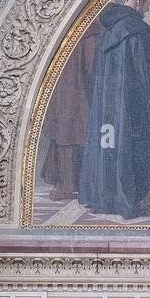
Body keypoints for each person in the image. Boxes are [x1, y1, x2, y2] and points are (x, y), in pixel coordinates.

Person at [78, 0, 150, 219]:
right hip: (133, 104)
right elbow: (145, 70)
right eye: (148, 4)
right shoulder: (137, 30)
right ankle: (130, 202)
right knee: (133, 149)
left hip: (107, 105)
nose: (149, 9)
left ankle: (106, 199)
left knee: (109, 146)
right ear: (139, 2)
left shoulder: (108, 30)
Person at [40, 20, 101, 202]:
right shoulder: (93, 36)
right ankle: (71, 186)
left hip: (63, 96)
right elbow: (93, 69)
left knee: (65, 138)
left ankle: (63, 186)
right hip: (78, 97)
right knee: (75, 138)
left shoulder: (64, 32)